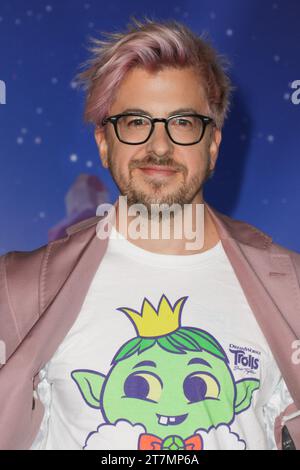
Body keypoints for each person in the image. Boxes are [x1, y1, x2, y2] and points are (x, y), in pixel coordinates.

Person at [0, 17, 299, 451]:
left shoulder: (290, 290)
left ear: (212, 145)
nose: (159, 146)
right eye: (137, 122)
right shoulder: (19, 292)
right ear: (104, 142)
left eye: (181, 122)